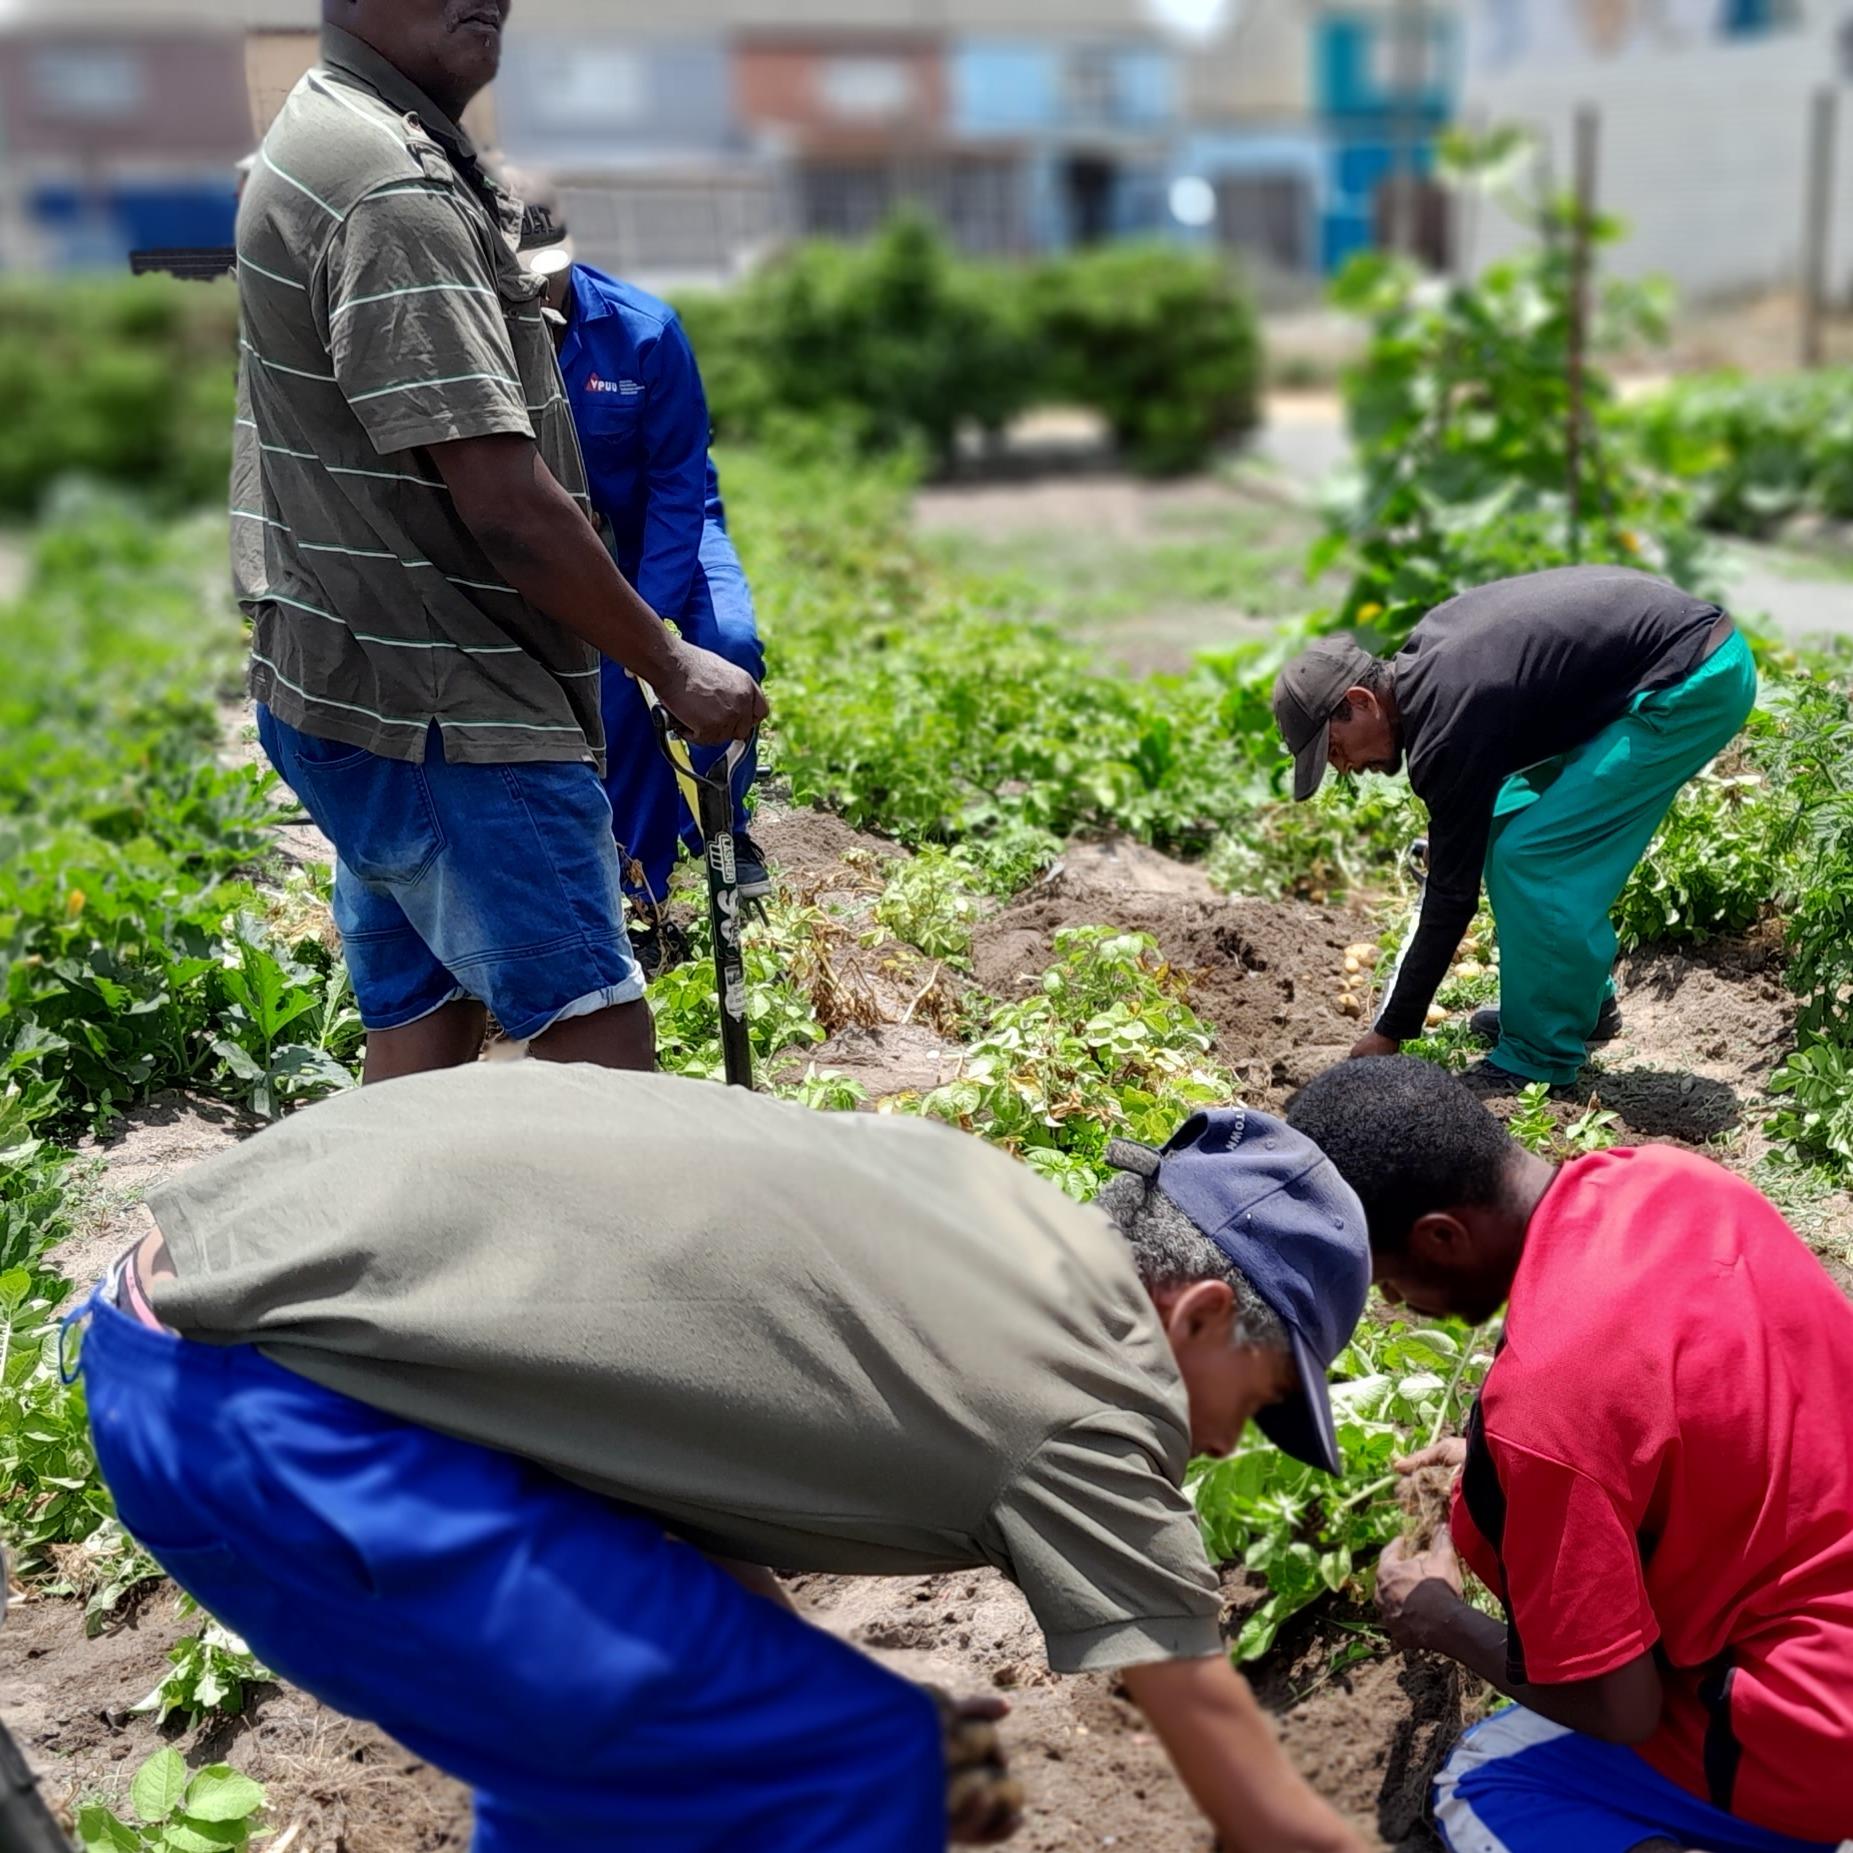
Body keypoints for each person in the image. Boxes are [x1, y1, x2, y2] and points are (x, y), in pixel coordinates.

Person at [75, 1065, 1374, 1853]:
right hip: (278, 1417)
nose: (1218, 1445)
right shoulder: (1095, 1391)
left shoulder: (986, 1215)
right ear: (1196, 1316)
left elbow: (676, 1491)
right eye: (1253, 1405)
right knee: (865, 1764)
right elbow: (1263, 1817)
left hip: (174, 1337)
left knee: (632, 1758)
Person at [233, 0, 765, 1084]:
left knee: (423, 1029)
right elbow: (509, 506)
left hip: (357, 683)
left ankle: (399, 1253)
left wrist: (658, 633)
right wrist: (663, 661)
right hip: (451, 710)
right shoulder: (393, 190)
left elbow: (674, 493)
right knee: (599, 1054)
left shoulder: (338, 126)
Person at [1285, 1056, 1853, 1853]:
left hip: (1818, 1730)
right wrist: (1495, 1466)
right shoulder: (1671, 1177)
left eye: (1384, 1280)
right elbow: (1689, 1412)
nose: (1389, 1304)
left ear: (1441, 1237)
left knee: (1482, 1785)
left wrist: (1440, 1619)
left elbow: (1623, 1709)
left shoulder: (1547, 1402)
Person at [1270, 567, 1756, 1090]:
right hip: (1662, 664)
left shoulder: (1445, 726)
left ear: (1362, 701)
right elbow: (1496, 742)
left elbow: (1450, 900)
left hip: (1691, 682)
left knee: (1534, 857)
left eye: (1336, 750)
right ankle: (1579, 1004)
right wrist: (1458, 828)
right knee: (1504, 826)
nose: (1344, 768)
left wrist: (1392, 1030)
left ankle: (1540, 1055)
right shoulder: (1430, 669)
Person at [513, 175, 772, 915]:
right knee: (616, 702)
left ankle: (729, 825)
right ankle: (643, 887)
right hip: (570, 546)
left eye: (545, 274)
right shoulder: (483, 333)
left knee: (728, 645)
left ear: (569, 251)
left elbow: (675, 484)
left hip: (671, 527)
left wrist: (648, 625)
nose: (534, 292)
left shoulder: (645, 331)